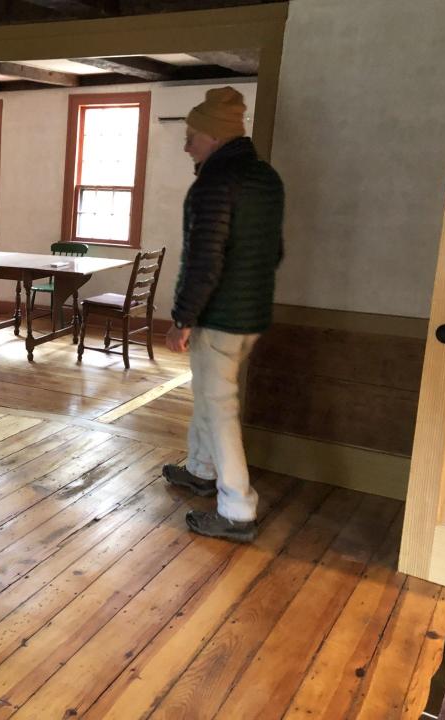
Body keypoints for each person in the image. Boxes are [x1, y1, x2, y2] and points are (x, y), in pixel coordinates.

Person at [162, 86, 284, 543]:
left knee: (220, 408)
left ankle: (236, 510)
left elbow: (205, 260)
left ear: (214, 135)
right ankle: (200, 469)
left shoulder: (214, 182)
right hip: (251, 313)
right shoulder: (266, 178)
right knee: (211, 396)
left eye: (192, 135)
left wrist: (182, 318)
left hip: (220, 317)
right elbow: (274, 251)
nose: (187, 144)